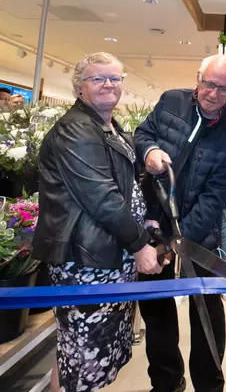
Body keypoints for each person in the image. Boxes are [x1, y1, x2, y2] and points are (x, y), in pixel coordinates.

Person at [32, 52, 163, 392]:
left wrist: (143, 219)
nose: (108, 84)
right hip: (87, 260)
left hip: (109, 256)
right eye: (98, 78)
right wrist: (139, 247)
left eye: (115, 78)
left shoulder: (108, 124)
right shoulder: (76, 129)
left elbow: (123, 184)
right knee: (82, 356)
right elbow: (100, 197)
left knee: (86, 354)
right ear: (79, 88)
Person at [134, 55, 226, 392]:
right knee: (156, 310)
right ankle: (167, 382)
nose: (214, 93)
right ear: (198, 78)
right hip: (150, 226)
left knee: (207, 313)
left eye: (223, 89)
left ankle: (209, 385)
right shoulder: (171, 100)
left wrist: (176, 243)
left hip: (199, 237)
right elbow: (142, 134)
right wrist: (149, 150)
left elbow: (214, 199)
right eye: (210, 84)